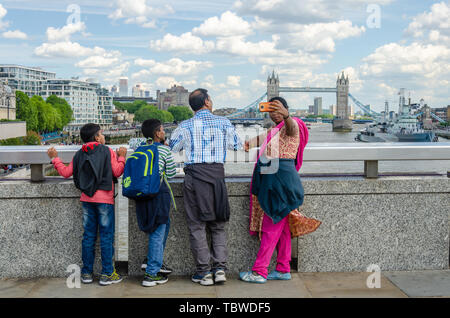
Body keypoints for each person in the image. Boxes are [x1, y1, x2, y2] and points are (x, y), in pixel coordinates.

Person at [240, 96, 318, 283]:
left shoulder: (294, 124)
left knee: (270, 226)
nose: (274, 113)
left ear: (285, 108)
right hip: (277, 179)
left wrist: (287, 116)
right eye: (270, 110)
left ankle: (259, 271)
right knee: (282, 229)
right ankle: (283, 269)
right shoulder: (276, 130)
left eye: (278, 109)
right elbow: (263, 137)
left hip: (280, 181)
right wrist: (249, 143)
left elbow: (291, 128)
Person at [169, 88, 243, 286]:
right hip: (217, 178)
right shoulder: (224, 122)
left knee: (197, 226)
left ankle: (203, 273)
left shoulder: (185, 125)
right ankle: (219, 269)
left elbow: (172, 147)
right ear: (208, 102)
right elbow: (237, 145)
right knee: (218, 226)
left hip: (195, 178)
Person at [47, 123, 127, 286]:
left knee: (89, 236)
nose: (104, 137)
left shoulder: (79, 154)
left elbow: (65, 173)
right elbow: (117, 171)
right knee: (106, 236)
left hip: (86, 199)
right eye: (102, 134)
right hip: (104, 199)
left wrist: (55, 158)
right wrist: (122, 156)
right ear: (97, 137)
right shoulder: (107, 151)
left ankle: (86, 273)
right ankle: (107, 273)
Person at [129, 119, 177, 287]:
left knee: (160, 227)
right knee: (158, 231)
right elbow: (171, 174)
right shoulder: (163, 150)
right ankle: (151, 274)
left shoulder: (139, 149)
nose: (164, 132)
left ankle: (151, 260)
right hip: (158, 195)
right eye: (163, 130)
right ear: (157, 133)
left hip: (142, 196)